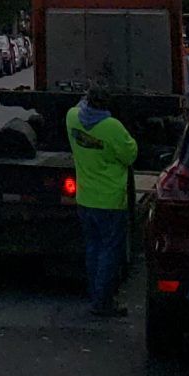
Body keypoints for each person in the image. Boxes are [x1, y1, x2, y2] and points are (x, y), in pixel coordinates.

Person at [66, 84, 139, 317]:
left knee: (93, 248)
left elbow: (77, 107)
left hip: (85, 198)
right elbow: (131, 154)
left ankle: (95, 294)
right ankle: (103, 300)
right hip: (110, 200)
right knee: (110, 250)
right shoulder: (112, 127)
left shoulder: (73, 119)